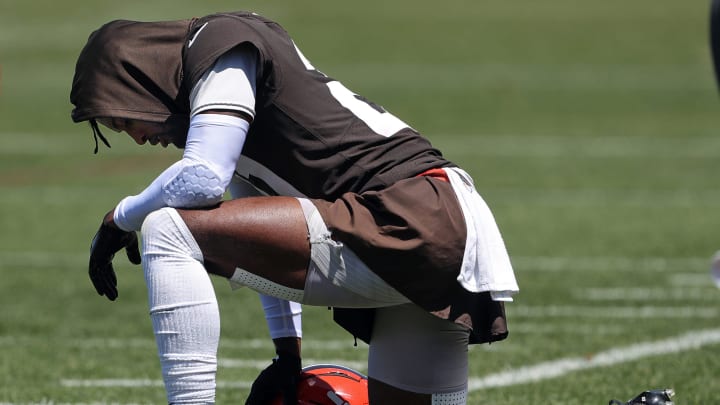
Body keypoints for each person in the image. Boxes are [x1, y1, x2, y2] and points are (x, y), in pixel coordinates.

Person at [70, 11, 519, 405]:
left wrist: (121, 217)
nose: (138, 138)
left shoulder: (220, 41)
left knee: (168, 228)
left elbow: (203, 177)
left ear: (137, 79)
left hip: (406, 215)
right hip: (446, 223)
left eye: (124, 121)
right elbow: (257, 219)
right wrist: (288, 353)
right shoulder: (222, 90)